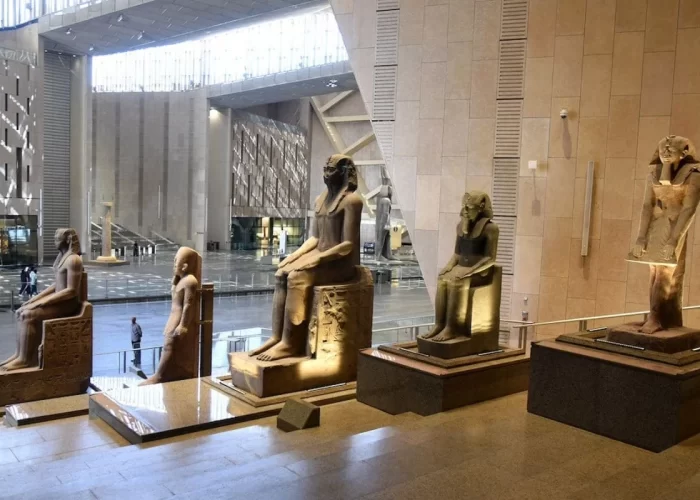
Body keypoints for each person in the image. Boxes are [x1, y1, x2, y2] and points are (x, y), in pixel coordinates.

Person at [249, 154, 362, 361]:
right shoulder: (320, 200)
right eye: (325, 169)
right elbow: (315, 238)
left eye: (331, 170)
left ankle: (290, 344)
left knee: (296, 278)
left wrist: (316, 260)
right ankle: (277, 337)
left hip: (341, 262)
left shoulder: (352, 201)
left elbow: (348, 245)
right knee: (281, 273)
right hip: (322, 255)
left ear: (344, 173)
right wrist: (294, 256)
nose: (326, 174)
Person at [0, 228, 84, 371]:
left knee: (28, 315)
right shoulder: (62, 258)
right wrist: (34, 300)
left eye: (57, 239)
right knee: (20, 311)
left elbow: (71, 290)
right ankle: (19, 354)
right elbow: (57, 285)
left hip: (68, 304)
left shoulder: (73, 260)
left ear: (67, 240)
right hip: (60, 300)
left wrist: (43, 302)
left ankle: (25, 360)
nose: (55, 242)